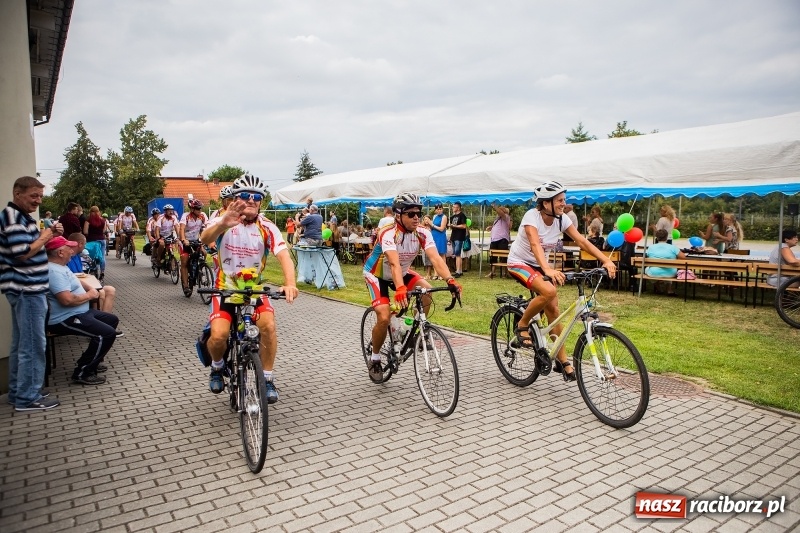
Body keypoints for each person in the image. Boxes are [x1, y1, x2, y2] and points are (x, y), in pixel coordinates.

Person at [200, 173, 298, 402]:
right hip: (225, 287)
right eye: (245, 195)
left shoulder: (267, 226)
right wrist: (222, 224)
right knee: (218, 336)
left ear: (261, 201)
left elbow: (284, 256)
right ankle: (217, 367)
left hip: (254, 288)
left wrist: (290, 283)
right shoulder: (223, 219)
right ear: (235, 198)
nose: (251, 200)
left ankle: (267, 378)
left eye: (256, 196)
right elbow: (205, 239)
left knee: (269, 327)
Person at [506, 181, 616, 382]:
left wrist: (606, 259)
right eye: (559, 200)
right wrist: (548, 269)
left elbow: (582, 241)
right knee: (549, 292)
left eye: (564, 200)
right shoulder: (532, 217)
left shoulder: (562, 219)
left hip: (540, 266)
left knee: (554, 311)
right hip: (519, 262)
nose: (563, 204)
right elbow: (534, 243)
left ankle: (563, 361)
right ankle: (522, 325)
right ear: (546, 203)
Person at [363, 193, 462, 382]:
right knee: (383, 317)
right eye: (411, 214)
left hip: (403, 271)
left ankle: (414, 333)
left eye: (418, 213)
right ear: (398, 215)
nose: (416, 217)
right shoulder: (388, 232)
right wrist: (400, 289)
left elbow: (435, 258)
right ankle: (375, 358)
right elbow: (393, 263)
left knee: (426, 293)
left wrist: (450, 280)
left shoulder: (423, 232)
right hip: (377, 274)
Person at [1, 176, 64, 411]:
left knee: (20, 344)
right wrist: (46, 236)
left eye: (40, 196)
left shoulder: (22, 217)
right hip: (26, 289)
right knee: (32, 345)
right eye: (33, 196)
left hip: (29, 289)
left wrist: (50, 234)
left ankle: (19, 391)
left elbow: (32, 246)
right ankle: (28, 397)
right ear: (18, 194)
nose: (38, 201)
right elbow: (22, 252)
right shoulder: (12, 217)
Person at [46, 236, 119, 385]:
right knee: (106, 334)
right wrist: (90, 295)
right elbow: (66, 300)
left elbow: (75, 279)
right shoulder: (54, 272)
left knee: (111, 320)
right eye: (68, 247)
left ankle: (93, 359)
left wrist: (90, 288)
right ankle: (82, 372)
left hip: (78, 312)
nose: (71, 250)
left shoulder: (61, 266)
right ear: (60, 252)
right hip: (64, 318)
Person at [65, 233, 117, 312]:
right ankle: (98, 317)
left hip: (80, 284)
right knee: (101, 292)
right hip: (74, 287)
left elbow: (80, 273)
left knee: (111, 290)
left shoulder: (77, 256)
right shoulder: (68, 257)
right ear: (80, 244)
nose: (85, 246)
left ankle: (105, 318)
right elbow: (72, 277)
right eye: (84, 244)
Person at [179, 198, 208, 296]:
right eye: (197, 209)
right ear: (192, 209)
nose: (200, 210)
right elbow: (182, 229)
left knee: (204, 253)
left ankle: (199, 269)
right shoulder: (186, 216)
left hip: (196, 241)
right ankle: (186, 285)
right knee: (184, 259)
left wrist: (205, 239)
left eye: (200, 208)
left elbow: (205, 229)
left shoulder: (202, 216)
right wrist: (183, 240)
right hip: (186, 242)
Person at [645, 229, 686, 296]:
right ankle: (669, 289)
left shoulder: (651, 247)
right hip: (670, 273)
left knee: (647, 269)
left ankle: (658, 289)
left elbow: (647, 255)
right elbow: (683, 257)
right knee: (670, 268)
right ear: (667, 237)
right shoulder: (673, 247)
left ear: (657, 237)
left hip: (654, 273)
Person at [486, 203, 511, 278]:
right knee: (493, 257)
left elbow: (500, 213)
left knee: (504, 257)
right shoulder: (497, 219)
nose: (498, 211)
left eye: (501, 209)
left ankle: (506, 273)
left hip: (502, 239)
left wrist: (494, 206)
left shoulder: (506, 216)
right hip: (494, 239)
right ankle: (492, 272)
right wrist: (491, 227)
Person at [83, 205, 107, 279]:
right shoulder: (103, 221)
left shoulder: (88, 220)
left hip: (91, 241)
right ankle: (102, 271)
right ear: (98, 212)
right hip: (101, 240)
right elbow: (104, 231)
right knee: (102, 256)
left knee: (92, 257)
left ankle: (94, 270)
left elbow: (85, 231)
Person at [448, 201, 468, 277]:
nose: (453, 208)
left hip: (459, 237)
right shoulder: (452, 217)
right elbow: (452, 227)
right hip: (453, 236)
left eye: (454, 207)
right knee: (456, 254)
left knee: (457, 254)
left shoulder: (462, 215)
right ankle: (459, 271)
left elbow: (464, 226)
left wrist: (454, 226)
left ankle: (458, 271)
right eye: (453, 207)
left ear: (458, 208)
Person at [429, 203, 448, 279]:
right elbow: (431, 226)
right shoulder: (434, 216)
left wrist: (432, 225)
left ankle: (443, 273)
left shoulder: (444, 217)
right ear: (435, 210)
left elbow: (441, 228)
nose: (439, 210)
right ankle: (436, 273)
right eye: (438, 209)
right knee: (435, 255)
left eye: (440, 209)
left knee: (442, 255)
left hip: (440, 237)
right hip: (434, 237)